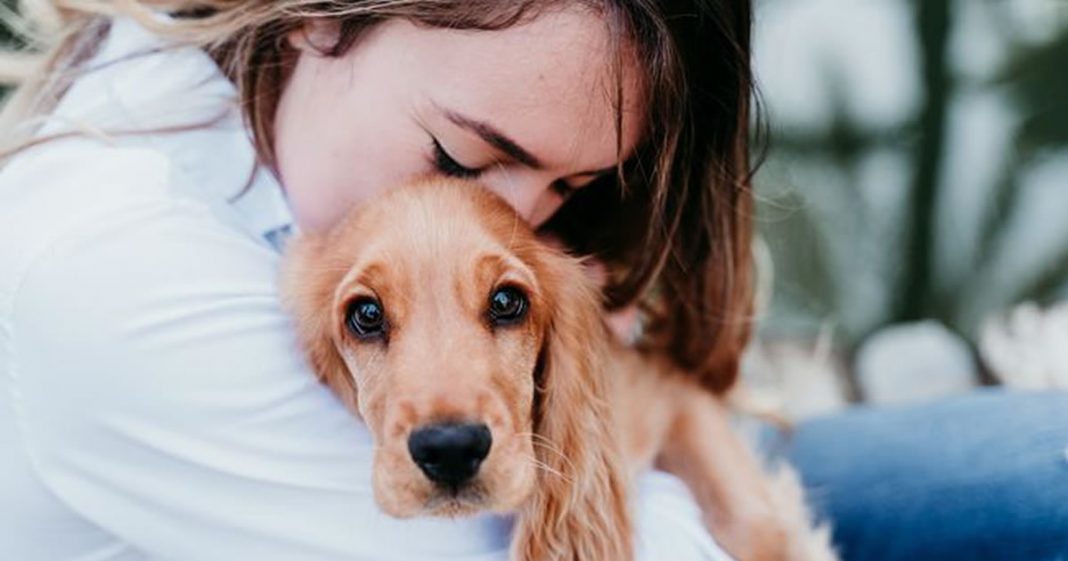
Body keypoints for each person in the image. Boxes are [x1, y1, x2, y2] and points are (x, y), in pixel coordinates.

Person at [0, 2, 1065, 561]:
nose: (519, 222)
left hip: (655, 472)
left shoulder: (279, 98)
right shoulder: (111, 275)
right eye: (466, 159)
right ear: (320, 13)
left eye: (571, 186)